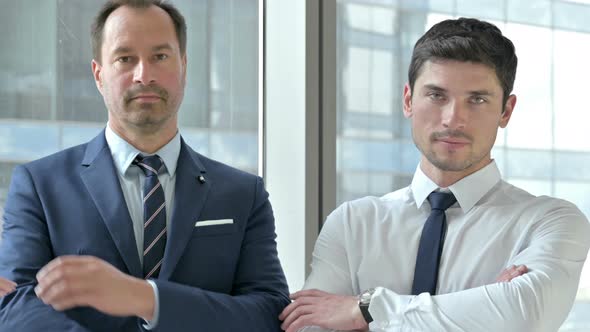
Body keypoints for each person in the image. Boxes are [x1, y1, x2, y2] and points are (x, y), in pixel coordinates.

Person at [279, 17, 590, 332]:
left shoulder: (549, 221)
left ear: (505, 111)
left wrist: (369, 310)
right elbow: (308, 327)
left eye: (477, 99)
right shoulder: (352, 223)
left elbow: (524, 314)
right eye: (437, 95)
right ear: (408, 99)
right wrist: (482, 310)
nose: (453, 119)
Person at [0, 0, 289, 331]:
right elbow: (15, 306)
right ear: (98, 74)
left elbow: (269, 312)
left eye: (160, 57)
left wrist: (146, 298)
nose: (144, 74)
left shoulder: (243, 193)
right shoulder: (39, 185)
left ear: (183, 65)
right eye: (125, 58)